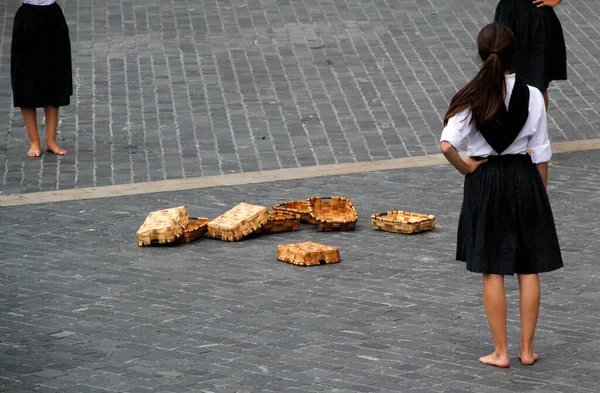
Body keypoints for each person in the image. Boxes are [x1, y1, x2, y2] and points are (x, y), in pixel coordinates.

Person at [440, 23, 563, 368]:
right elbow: (541, 153)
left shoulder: (470, 96)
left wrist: (467, 168)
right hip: (524, 178)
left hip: (487, 179)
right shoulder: (534, 95)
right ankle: (526, 350)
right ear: (515, 55)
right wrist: (540, 193)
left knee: (492, 269)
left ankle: (501, 352)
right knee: (529, 267)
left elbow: (447, 144)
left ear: (481, 55)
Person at [11, 0, 72, 156]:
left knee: (54, 78)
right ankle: (34, 141)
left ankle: (51, 141)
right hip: (27, 18)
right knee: (25, 79)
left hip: (52, 18)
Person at [494, 0, 567, 109]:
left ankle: (538, 125)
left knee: (537, 84)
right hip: (507, 14)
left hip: (535, 19)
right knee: (501, 78)